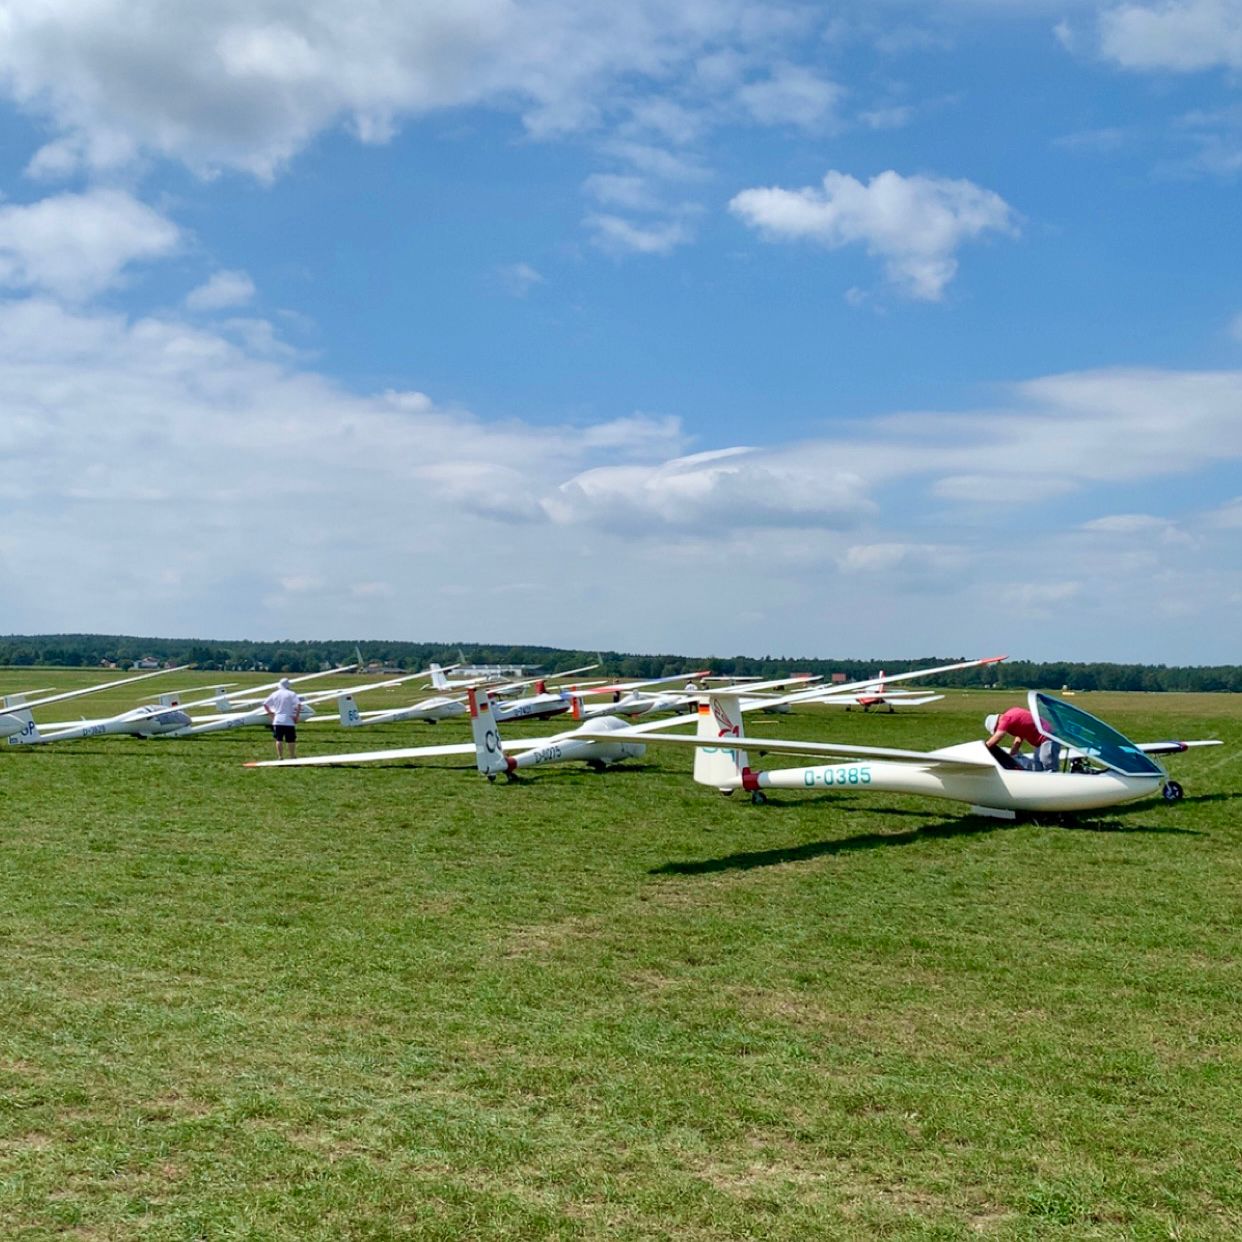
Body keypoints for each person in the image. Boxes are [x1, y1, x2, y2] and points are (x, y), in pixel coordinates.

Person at [985, 707, 1061, 771]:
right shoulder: (1011, 716)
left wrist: (985, 747)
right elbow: (1019, 738)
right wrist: (1012, 754)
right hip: (1042, 741)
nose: (998, 729)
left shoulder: (1006, 719)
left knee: (1048, 765)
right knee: (1038, 767)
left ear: (997, 723)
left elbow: (998, 736)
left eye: (996, 729)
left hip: (1047, 737)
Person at [262, 677, 304, 760]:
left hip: (277, 720)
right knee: (291, 740)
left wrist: (271, 715)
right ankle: (292, 756)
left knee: (279, 739)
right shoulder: (292, 694)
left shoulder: (274, 694)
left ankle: (280, 756)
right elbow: (299, 705)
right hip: (289, 720)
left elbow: (265, 704)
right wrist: (296, 717)